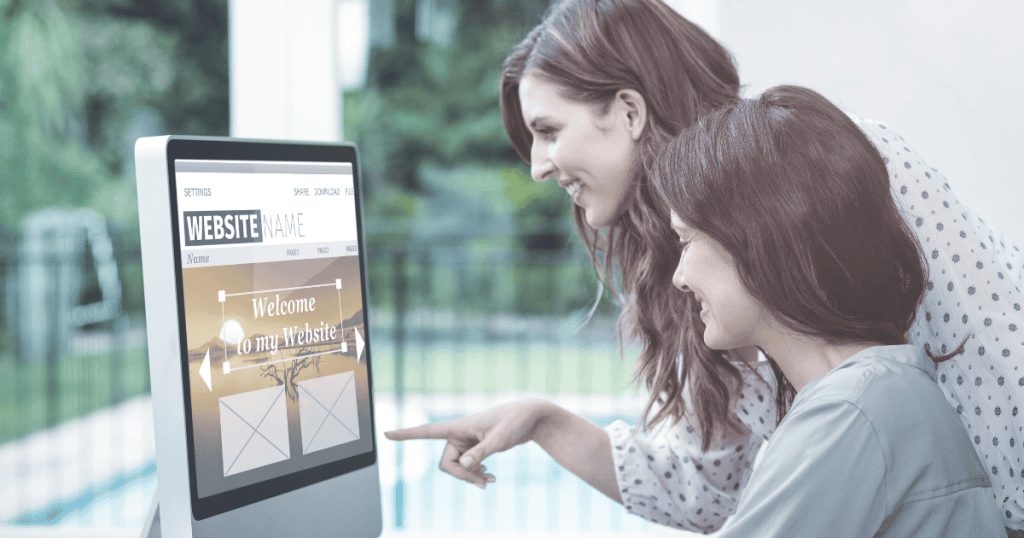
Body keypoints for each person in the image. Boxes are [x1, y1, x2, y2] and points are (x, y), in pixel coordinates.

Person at [385, 0, 1024, 533]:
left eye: (548, 131)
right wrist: (544, 421)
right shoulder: (700, 284)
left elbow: (1003, 353)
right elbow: (710, 489)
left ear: (629, 112)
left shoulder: (841, 164)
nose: (537, 167)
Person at [650, 83, 1004, 536]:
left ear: (760, 236)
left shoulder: (851, 411)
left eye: (686, 240)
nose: (679, 277)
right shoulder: (881, 390)